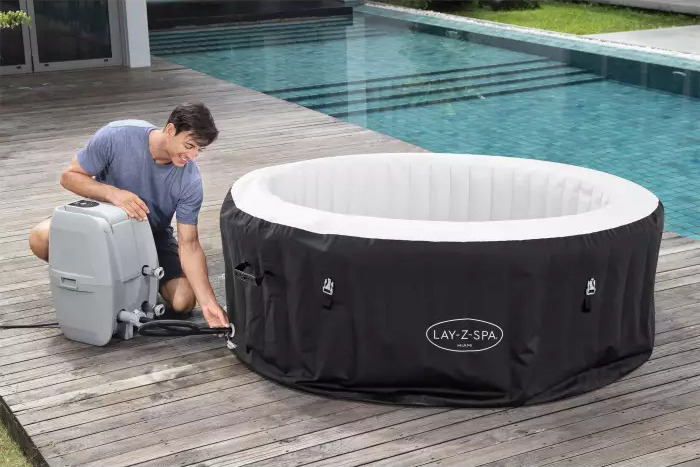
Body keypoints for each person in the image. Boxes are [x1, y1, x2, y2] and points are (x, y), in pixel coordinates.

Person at [28, 102, 229, 329]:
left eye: (199, 150)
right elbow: (69, 176)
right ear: (170, 130)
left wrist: (209, 304)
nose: (192, 156)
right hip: (103, 230)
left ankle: (134, 279)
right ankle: (99, 281)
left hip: (152, 238)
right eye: (189, 145)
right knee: (40, 237)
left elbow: (189, 244)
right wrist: (113, 193)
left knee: (183, 301)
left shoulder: (190, 180)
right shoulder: (117, 136)